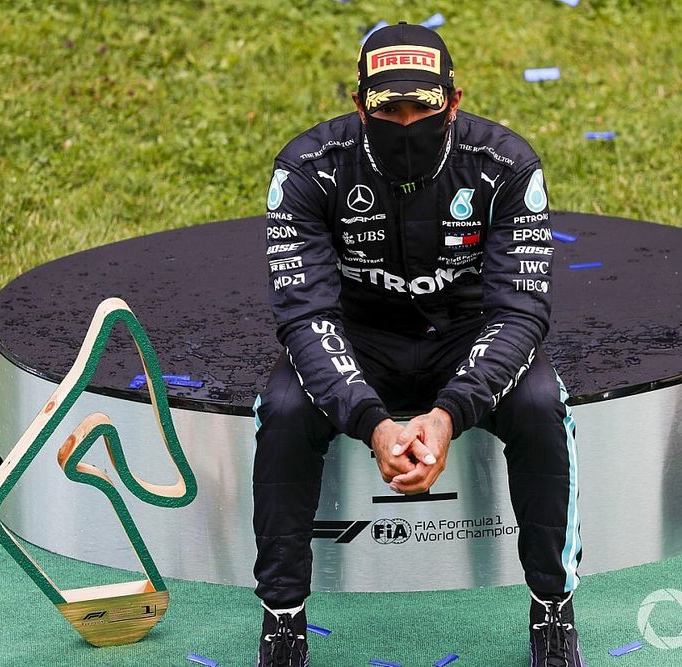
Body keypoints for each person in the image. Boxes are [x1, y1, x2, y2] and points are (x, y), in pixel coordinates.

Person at [254, 21, 584, 667]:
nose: (406, 120)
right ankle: (282, 620)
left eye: (422, 106)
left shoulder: (507, 165)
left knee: (543, 402)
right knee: (286, 409)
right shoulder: (307, 167)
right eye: (388, 108)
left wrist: (449, 411)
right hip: (356, 336)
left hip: (468, 334)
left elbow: (520, 311)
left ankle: (553, 608)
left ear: (453, 101)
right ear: (359, 105)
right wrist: (373, 422)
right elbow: (305, 315)